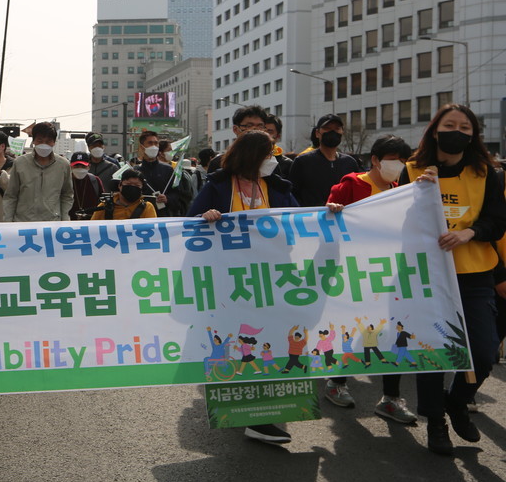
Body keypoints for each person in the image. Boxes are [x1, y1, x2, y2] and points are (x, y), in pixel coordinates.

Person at [400, 104, 506, 455]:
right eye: (450, 124)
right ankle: (435, 423)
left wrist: (470, 233)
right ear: (435, 130)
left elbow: (496, 221)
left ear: (474, 136)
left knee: (484, 349)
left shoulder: (488, 173)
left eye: (465, 127)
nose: (457, 131)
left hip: (475, 275)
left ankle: (458, 401)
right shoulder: (413, 169)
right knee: (433, 351)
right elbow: (398, 222)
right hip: (427, 277)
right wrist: (416, 196)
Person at [188, 130, 302, 445]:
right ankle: (246, 412)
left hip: (271, 278)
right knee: (236, 341)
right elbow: (189, 223)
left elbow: (299, 221)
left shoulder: (278, 186)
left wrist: (329, 212)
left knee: (268, 342)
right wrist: (205, 217)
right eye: (268, 154)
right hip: (230, 280)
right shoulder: (220, 185)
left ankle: (263, 417)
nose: (273, 160)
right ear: (253, 155)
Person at [324, 135, 413, 417]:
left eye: (402, 161)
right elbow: (324, 223)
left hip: (390, 275)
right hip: (353, 273)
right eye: (393, 160)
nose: (398, 166)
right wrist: (333, 210)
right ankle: (336, 382)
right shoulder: (352, 185)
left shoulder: (400, 191)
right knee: (355, 329)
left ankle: (391, 397)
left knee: (394, 332)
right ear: (375, 160)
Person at [4, 122, 73, 222]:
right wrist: (8, 223)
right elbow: (11, 195)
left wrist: (65, 220)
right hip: (23, 223)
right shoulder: (20, 163)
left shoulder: (63, 165)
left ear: (54, 142)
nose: (44, 145)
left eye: (48, 141)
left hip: (52, 224)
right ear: (34, 141)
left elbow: (67, 195)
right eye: (40, 140)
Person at [287, 114, 359, 208]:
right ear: (317, 133)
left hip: (343, 220)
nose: (332, 132)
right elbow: (292, 196)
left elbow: (356, 195)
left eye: (337, 129)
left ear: (342, 132)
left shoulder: (350, 163)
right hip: (312, 220)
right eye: (327, 128)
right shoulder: (302, 162)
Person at [206, 106, 269, 174]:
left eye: (260, 126)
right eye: (249, 126)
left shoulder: (270, 162)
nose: (255, 130)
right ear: (235, 129)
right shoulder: (220, 162)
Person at [135, 131, 184, 216]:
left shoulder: (168, 170)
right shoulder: (135, 171)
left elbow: (177, 194)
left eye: (156, 143)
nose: (153, 146)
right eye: (150, 143)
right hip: (141, 215)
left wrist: (167, 198)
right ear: (142, 147)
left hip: (163, 216)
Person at [90, 169, 157, 220]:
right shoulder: (105, 206)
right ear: (120, 185)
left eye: (137, 185)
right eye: (128, 184)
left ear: (142, 188)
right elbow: (92, 228)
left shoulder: (147, 207)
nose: (132, 187)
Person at [68, 152, 105, 220]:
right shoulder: (65, 181)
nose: (80, 169)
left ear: (89, 166)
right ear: (71, 166)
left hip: (91, 223)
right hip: (69, 223)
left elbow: (102, 202)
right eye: (76, 166)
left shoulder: (95, 181)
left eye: (83, 166)